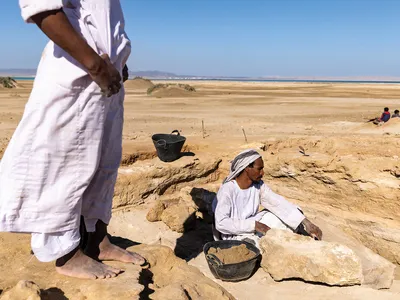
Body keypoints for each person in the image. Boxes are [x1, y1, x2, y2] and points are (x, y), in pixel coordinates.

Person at [0, 0, 145, 279]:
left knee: (105, 162)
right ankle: (67, 254)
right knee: (65, 167)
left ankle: (98, 241)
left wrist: (115, 62)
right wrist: (95, 66)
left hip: (106, 75)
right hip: (78, 73)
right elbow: (42, 8)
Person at [212, 149, 322, 247]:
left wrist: (307, 223)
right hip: (234, 234)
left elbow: (277, 203)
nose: (262, 173)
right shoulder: (227, 190)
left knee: (294, 212)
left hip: (254, 225)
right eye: (259, 169)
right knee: (249, 245)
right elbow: (221, 223)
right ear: (247, 168)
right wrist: (254, 225)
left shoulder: (258, 186)